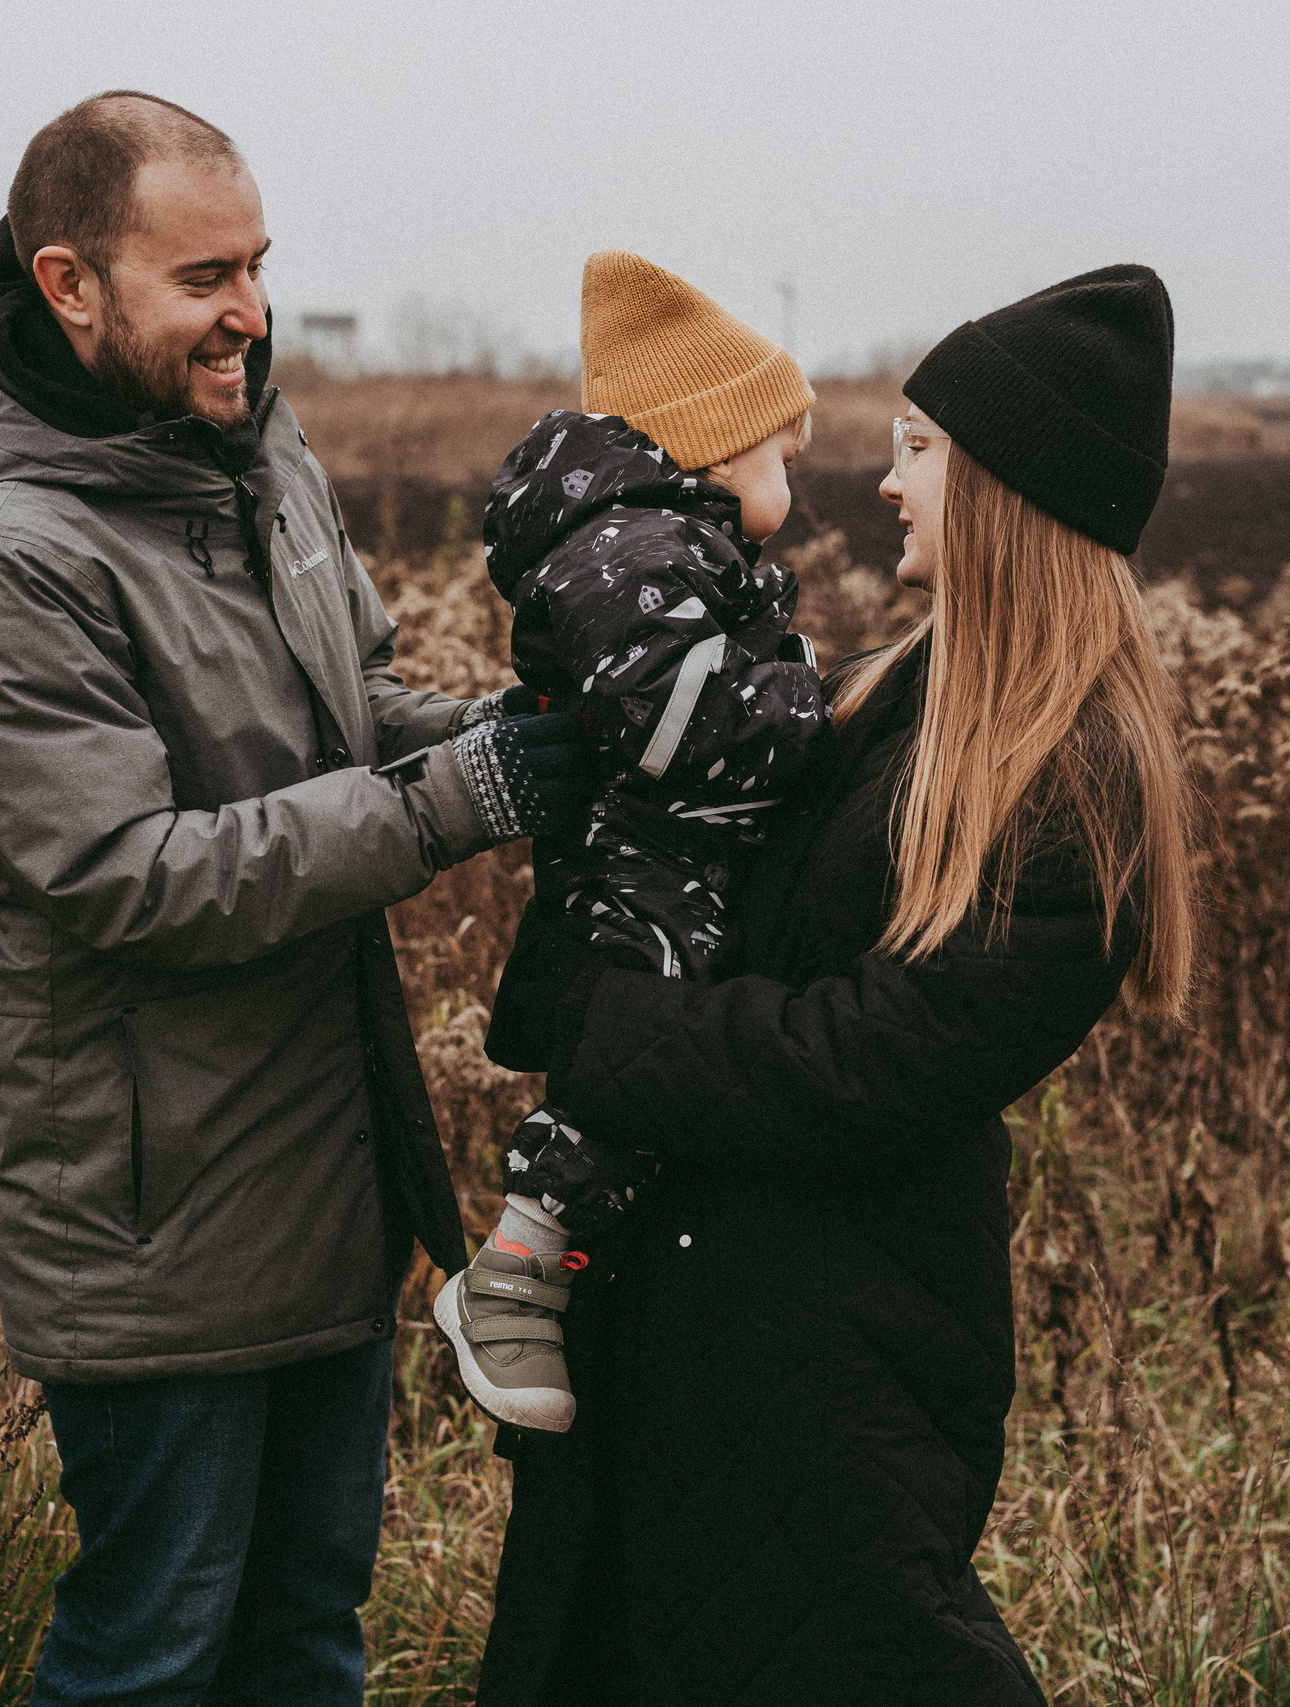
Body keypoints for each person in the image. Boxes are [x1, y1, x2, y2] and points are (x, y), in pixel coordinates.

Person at [0, 91, 588, 1707]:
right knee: (153, 1656)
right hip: (155, 1232)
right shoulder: (0, 570)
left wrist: (505, 736)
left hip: (323, 1187)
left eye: (259, 266)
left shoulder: (262, 460)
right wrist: (456, 800)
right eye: (204, 277)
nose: (251, 314)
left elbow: (358, 712)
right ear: (71, 286)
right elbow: (139, 877)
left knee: (302, 1639)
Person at [474, 265, 1200, 1705]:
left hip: (830, 1366)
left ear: (1007, 490)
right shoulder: (874, 696)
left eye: (919, 448)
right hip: (690, 1327)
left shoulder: (1072, 780)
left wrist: (601, 1022)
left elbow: (876, 1058)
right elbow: (694, 886)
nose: (883, 481)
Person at [432, 251, 829, 1435]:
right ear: (715, 445)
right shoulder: (635, 553)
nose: (796, 486)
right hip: (641, 873)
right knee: (636, 1071)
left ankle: (557, 1275)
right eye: (785, 459)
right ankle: (515, 1270)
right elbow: (679, 724)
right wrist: (815, 706)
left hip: (661, 859)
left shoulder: (656, 547)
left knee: (663, 1076)